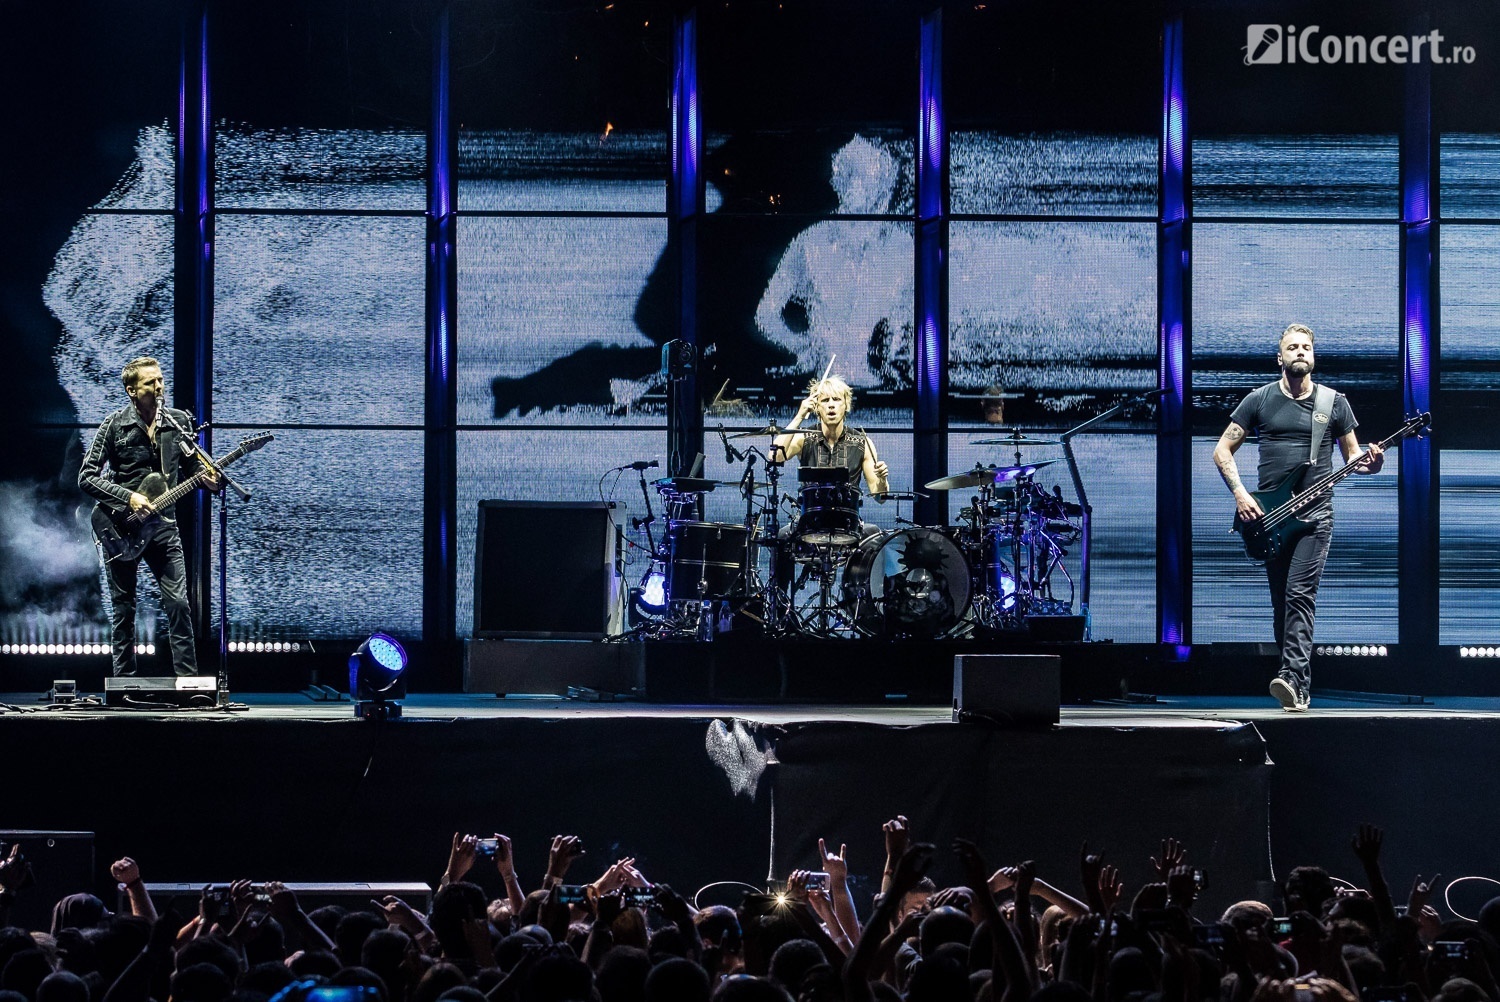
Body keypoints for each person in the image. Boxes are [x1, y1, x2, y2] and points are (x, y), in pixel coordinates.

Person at [1212, 324, 1384, 712]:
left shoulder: (1333, 403)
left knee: (1298, 596)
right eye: (1293, 347)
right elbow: (1222, 450)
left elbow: (1353, 458)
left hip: (1315, 518)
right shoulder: (1259, 400)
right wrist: (1240, 494)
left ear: (1313, 356)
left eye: (1306, 347)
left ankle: (1291, 678)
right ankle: (1296, 683)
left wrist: (1373, 464)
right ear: (1280, 357)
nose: (1300, 352)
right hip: (1272, 519)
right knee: (1281, 603)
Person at [79, 356, 218, 677]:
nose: (159, 387)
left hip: (164, 529)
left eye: (160, 381)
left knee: (179, 605)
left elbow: (195, 467)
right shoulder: (114, 425)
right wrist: (129, 497)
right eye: (149, 383)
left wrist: (208, 478)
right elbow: (86, 477)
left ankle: (188, 683)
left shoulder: (179, 421)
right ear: (131, 390)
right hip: (120, 527)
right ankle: (124, 683)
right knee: (124, 610)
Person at [772, 375, 890, 495]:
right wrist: (799, 417)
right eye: (825, 400)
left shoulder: (862, 443)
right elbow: (774, 457)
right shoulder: (804, 437)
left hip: (847, 512)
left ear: (846, 406)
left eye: (836, 399)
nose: (831, 405)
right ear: (816, 407)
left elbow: (880, 497)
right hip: (812, 512)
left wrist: (882, 480)